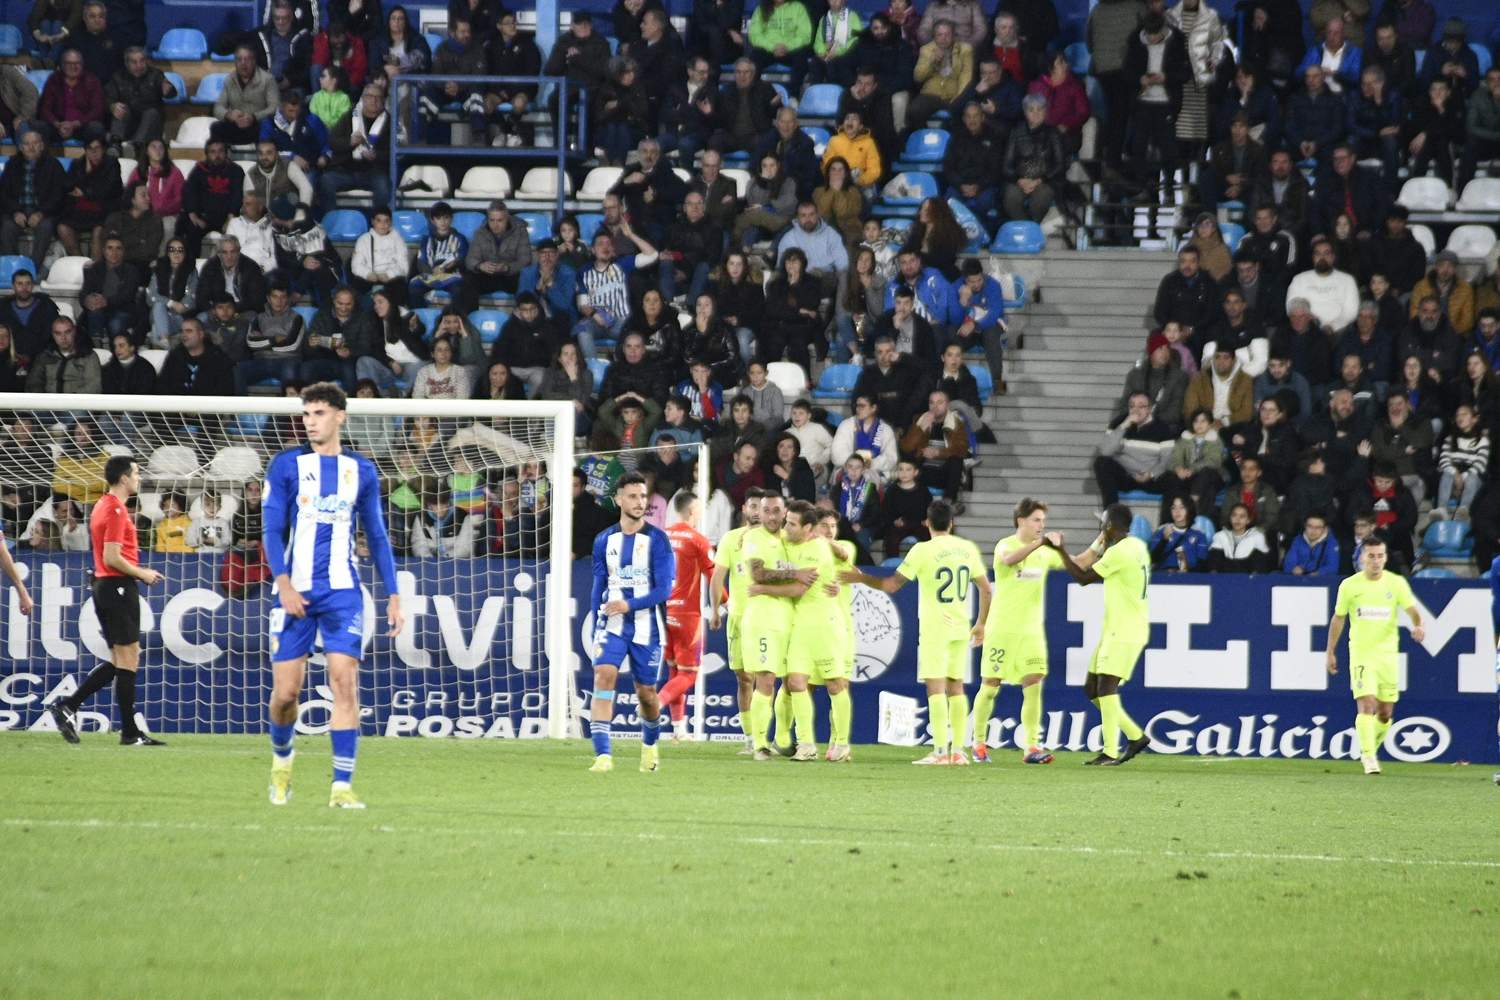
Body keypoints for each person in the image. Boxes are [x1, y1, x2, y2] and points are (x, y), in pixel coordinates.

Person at [261, 382, 402, 808]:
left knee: (345, 682)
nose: (310, 421)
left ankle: (341, 786)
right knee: (287, 695)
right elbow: (270, 529)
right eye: (306, 414)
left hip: (343, 593)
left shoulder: (361, 470)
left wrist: (393, 593)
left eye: (319, 413)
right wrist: (283, 582)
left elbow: (376, 535)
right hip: (294, 594)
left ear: (340, 416)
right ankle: (282, 764)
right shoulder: (286, 466)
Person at [842, 498, 991, 764]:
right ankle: (958, 751)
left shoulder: (922, 551)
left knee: (935, 688)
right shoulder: (966, 548)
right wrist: (980, 624)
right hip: (960, 626)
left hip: (936, 628)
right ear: (952, 523)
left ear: (927, 523)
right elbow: (986, 588)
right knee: (956, 687)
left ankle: (940, 752)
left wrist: (860, 577)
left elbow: (891, 585)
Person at [47, 455, 166, 746]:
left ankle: (71, 707)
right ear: (124, 478)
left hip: (109, 586)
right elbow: (112, 557)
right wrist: (143, 573)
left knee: (124, 658)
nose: (139, 478)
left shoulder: (103, 504)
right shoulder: (114, 510)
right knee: (128, 659)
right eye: (136, 473)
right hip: (116, 586)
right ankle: (127, 732)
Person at [1044, 504, 1153, 765]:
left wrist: (1059, 550)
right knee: (1092, 687)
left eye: (1103, 523)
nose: (1100, 527)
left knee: (1106, 688)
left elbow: (1082, 577)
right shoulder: (1136, 546)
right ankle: (1135, 736)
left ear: (1110, 525)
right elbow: (1090, 561)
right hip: (1119, 627)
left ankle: (1110, 751)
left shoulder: (1120, 553)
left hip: (1124, 630)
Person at [586, 472, 674, 774]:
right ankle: (603, 756)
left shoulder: (658, 540)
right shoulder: (603, 540)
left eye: (643, 496)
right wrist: (597, 612)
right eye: (633, 496)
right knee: (604, 676)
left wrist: (629, 604)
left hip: (646, 626)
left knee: (647, 695)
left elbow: (664, 590)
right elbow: (599, 584)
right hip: (611, 624)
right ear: (619, 500)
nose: (640, 502)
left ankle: (649, 746)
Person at [972, 497, 1063, 764]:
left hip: (1031, 631)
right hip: (1002, 628)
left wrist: (1099, 544)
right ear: (1021, 521)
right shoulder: (1006, 545)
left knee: (1033, 683)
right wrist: (1040, 544)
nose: (1041, 525)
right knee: (990, 686)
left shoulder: (1045, 552)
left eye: (1043, 521)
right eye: (1036, 520)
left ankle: (1032, 747)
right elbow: (1009, 560)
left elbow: (1078, 563)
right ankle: (978, 743)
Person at [1325, 537, 1425, 775]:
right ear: (1362, 557)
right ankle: (1369, 757)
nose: (1376, 561)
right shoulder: (1349, 586)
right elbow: (1339, 618)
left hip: (1388, 655)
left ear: (1386, 557)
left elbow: (1412, 610)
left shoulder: (1396, 583)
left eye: (1380, 556)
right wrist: (1330, 651)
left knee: (1385, 713)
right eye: (1371, 556)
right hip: (1361, 653)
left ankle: (1371, 747)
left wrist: (1418, 626)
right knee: (1367, 703)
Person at [708, 489, 764, 754]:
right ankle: (750, 738)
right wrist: (716, 609)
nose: (756, 512)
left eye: (761, 507)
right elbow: (718, 576)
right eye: (753, 506)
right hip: (739, 618)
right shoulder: (731, 539)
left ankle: (772, 736)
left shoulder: (776, 540)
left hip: (767, 618)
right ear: (744, 508)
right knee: (744, 678)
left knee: (768, 678)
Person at [656, 491, 713, 742]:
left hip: (663, 611)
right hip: (688, 614)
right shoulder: (698, 540)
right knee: (688, 674)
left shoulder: (660, 537)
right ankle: (655, 703)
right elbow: (713, 575)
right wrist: (729, 601)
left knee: (675, 672)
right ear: (692, 511)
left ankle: (679, 730)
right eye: (699, 509)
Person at [1150, 495, 1210, 572]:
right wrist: (1164, 540)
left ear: (1189, 509)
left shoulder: (1199, 534)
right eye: (1173, 508)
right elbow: (1152, 559)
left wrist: (1187, 571)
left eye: (1182, 507)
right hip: (1164, 577)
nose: (1177, 511)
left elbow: (1203, 565)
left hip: (1191, 578)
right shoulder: (1162, 530)